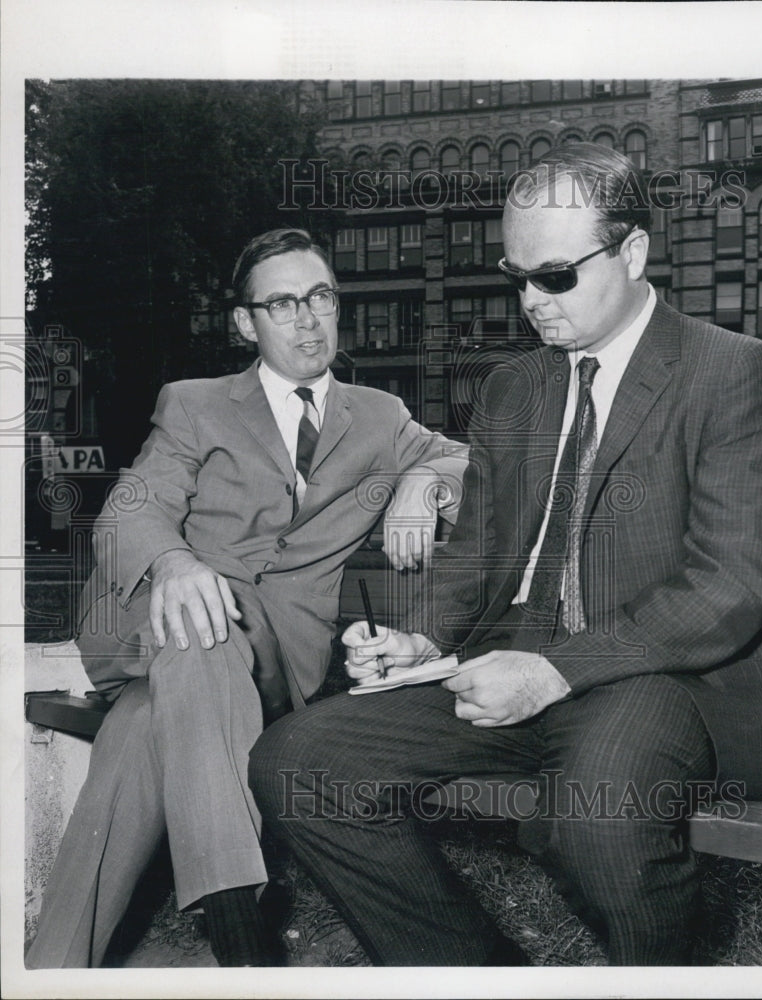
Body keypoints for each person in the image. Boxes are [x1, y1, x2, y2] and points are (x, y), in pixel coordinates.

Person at [249, 145, 762, 966]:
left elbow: (726, 586)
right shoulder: (514, 388)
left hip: (656, 672)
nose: (530, 301)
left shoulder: (728, 372)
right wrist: (422, 639)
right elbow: (474, 551)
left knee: (598, 818)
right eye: (517, 276)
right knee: (297, 762)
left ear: (633, 252)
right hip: (506, 657)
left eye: (554, 276)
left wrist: (552, 673)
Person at [26, 228, 468, 968]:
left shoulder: (381, 417)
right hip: (150, 628)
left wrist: (424, 485)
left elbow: (472, 467)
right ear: (245, 323)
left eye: (321, 297)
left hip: (267, 667)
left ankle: (51, 971)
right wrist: (173, 562)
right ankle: (239, 927)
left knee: (137, 736)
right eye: (282, 303)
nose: (306, 319)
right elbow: (131, 508)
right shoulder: (195, 405)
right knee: (203, 624)